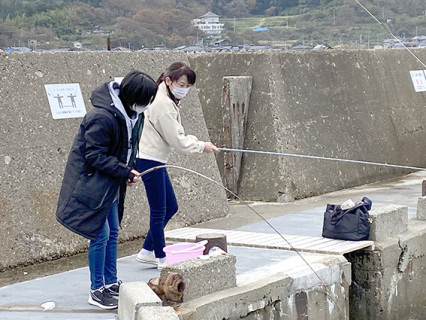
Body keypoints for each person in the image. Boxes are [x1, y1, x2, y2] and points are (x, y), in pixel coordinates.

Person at [55, 70, 157, 309]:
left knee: (112, 233)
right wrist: (123, 171)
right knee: (99, 236)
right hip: (91, 185)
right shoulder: (101, 117)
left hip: (109, 184)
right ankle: (96, 289)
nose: (147, 105)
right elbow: (94, 155)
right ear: (132, 96)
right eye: (145, 100)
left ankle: (111, 283)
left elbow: (128, 149)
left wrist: (128, 171)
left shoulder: (131, 114)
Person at [134, 62, 218, 269]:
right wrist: (202, 146)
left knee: (171, 206)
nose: (184, 89)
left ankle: (147, 251)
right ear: (168, 80)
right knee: (159, 210)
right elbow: (177, 140)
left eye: (188, 86)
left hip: (155, 157)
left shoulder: (165, 96)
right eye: (182, 84)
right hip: (148, 158)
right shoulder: (162, 104)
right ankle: (162, 258)